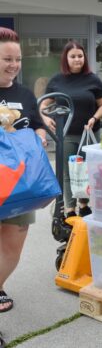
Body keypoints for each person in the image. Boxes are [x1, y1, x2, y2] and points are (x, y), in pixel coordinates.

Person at [0, 27, 46, 318]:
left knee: (16, 234)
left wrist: (41, 134)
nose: (14, 65)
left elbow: (37, 124)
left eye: (17, 59)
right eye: (7, 59)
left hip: (21, 182)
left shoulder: (25, 94)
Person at [39, 41, 102, 218]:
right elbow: (43, 105)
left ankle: (84, 205)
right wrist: (46, 118)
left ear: (84, 57)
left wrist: (94, 118)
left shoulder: (93, 79)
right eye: (73, 56)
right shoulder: (57, 80)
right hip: (67, 134)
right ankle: (70, 210)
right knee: (69, 172)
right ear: (66, 59)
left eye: (80, 56)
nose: (77, 59)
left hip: (89, 134)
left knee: (86, 170)